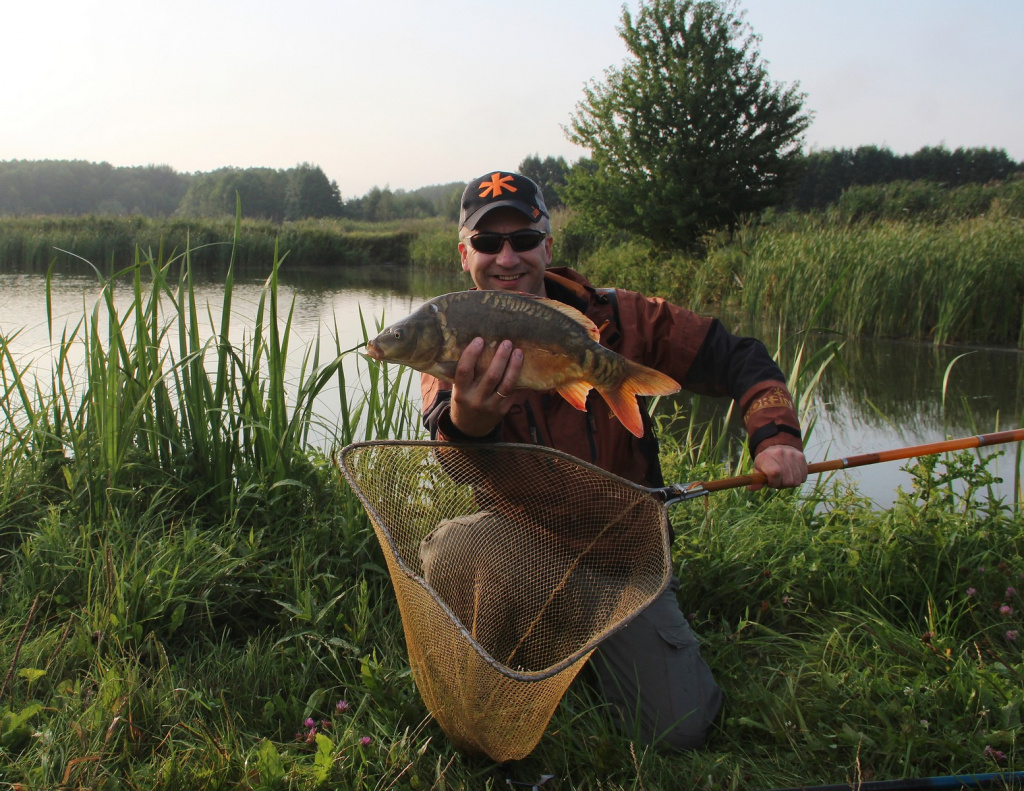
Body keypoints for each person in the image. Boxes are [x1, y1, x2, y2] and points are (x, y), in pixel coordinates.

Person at [420, 170, 808, 750]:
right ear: (463, 254)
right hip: (523, 547)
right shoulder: (452, 336)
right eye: (487, 242)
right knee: (455, 548)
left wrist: (775, 436)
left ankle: (604, 640)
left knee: (678, 731)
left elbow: (739, 357)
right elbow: (452, 453)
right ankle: (543, 641)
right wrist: (469, 426)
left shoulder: (622, 319)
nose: (507, 257)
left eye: (523, 240)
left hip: (625, 557)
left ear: (547, 246)